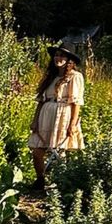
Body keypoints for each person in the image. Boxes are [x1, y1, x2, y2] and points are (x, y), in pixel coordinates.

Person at [28, 43, 85, 191]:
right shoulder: (51, 76)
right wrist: (35, 120)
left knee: (59, 151)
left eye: (62, 55)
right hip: (46, 114)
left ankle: (61, 184)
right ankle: (40, 179)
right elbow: (41, 100)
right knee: (37, 150)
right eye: (56, 55)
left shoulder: (75, 77)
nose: (58, 58)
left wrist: (72, 124)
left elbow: (76, 102)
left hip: (62, 114)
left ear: (69, 60)